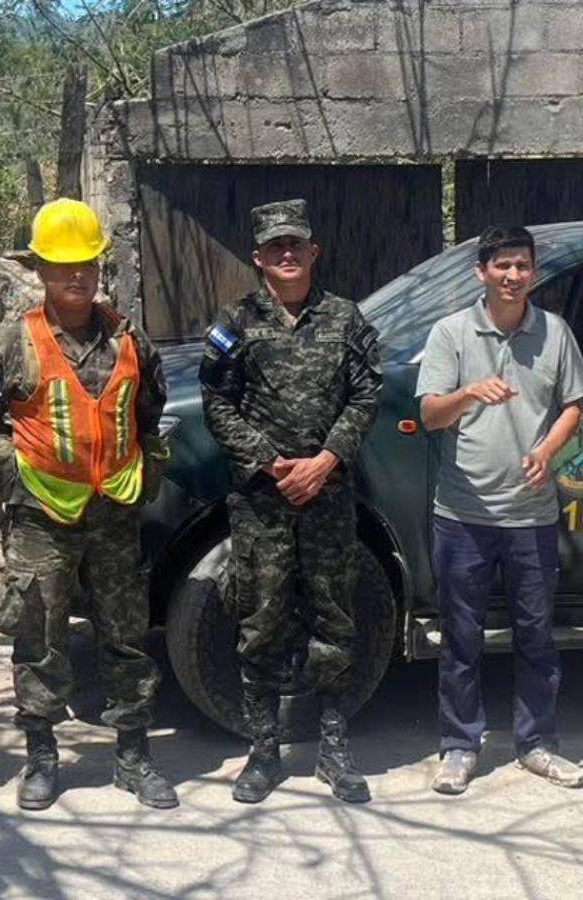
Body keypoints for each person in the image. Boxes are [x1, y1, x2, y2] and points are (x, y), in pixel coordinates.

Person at [0, 198, 176, 811]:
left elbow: (150, 413)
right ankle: (42, 758)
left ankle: (134, 758)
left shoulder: (131, 339)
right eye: (62, 266)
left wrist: (147, 463)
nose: (75, 276)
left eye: (85, 264)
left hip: (114, 510)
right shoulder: (12, 343)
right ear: (40, 271)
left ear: (99, 267)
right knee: (39, 633)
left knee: (128, 633)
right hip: (42, 514)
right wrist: (13, 466)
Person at [199, 199, 382, 804]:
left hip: (328, 497)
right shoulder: (234, 321)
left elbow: (366, 397)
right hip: (263, 502)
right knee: (261, 622)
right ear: (258, 258)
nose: (286, 253)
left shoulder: (347, 319)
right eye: (275, 246)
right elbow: (216, 402)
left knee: (335, 618)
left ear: (313, 252)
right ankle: (262, 753)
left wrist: (326, 460)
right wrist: (270, 462)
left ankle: (333, 750)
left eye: (295, 244)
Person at [416, 224, 583, 795]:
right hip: (463, 514)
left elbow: (574, 406)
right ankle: (459, 746)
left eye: (522, 265)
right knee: (461, 638)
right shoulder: (451, 334)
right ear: (481, 273)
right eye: (502, 266)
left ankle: (538, 744)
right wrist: (469, 393)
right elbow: (430, 415)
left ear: (533, 273)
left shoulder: (555, 332)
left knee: (536, 636)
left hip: (532, 515)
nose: (513, 275)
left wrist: (546, 450)